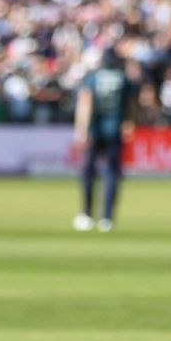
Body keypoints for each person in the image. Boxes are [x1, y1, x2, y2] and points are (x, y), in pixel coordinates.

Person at [72, 46, 136, 232]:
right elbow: (131, 102)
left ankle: (86, 214)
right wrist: (129, 122)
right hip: (115, 130)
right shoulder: (122, 78)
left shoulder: (93, 78)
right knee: (111, 173)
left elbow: (86, 103)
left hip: (95, 130)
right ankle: (107, 218)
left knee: (89, 173)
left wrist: (82, 130)